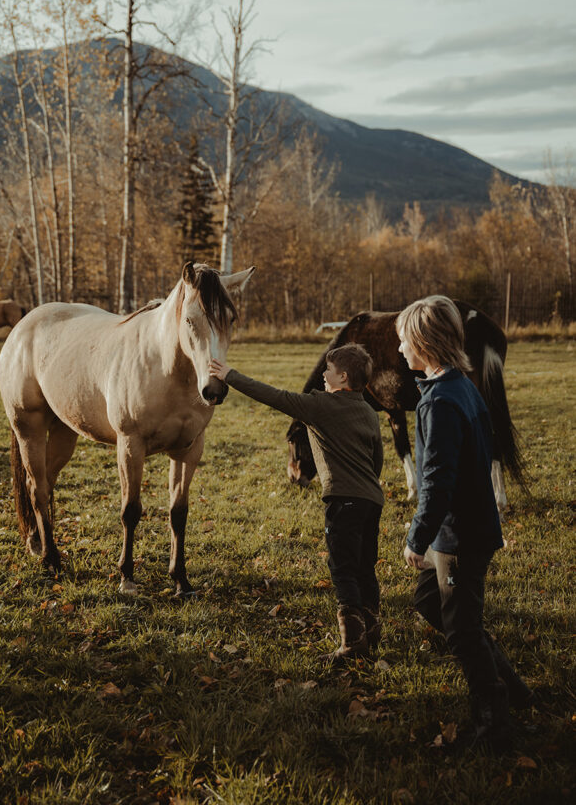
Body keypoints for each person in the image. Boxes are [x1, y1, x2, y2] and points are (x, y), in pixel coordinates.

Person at [396, 294, 531, 749]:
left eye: (403, 342)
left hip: (460, 537)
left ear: (424, 344)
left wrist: (418, 538)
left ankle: (494, 718)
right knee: (430, 603)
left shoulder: (440, 403)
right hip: (471, 529)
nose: (398, 351)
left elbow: (436, 483)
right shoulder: (459, 386)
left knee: (461, 630)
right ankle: (512, 687)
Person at [209, 343, 384, 660]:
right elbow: (377, 460)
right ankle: (372, 630)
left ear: (342, 377)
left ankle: (353, 643)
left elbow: (273, 396)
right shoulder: (369, 412)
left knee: (342, 569)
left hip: (342, 501)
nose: (323, 376)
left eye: (327, 371)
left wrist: (229, 375)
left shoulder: (319, 406)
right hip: (372, 502)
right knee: (364, 566)